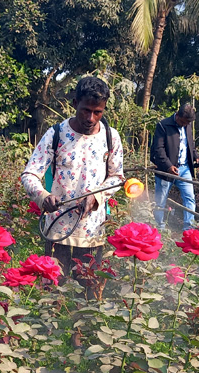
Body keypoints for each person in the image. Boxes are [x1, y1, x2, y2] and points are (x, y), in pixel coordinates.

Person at [21, 76, 124, 299]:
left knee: (87, 293)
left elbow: (117, 177)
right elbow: (29, 174)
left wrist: (96, 196)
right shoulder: (56, 134)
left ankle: (78, 334)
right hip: (57, 229)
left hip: (92, 231)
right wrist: (43, 196)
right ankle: (51, 332)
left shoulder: (110, 137)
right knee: (54, 290)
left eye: (98, 112)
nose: (90, 118)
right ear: (75, 102)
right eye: (86, 110)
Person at [150, 103, 199, 231]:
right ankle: (160, 228)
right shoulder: (163, 125)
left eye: (187, 123)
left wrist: (195, 156)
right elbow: (158, 150)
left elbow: (189, 144)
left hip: (185, 168)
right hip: (165, 170)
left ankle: (189, 228)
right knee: (161, 200)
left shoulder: (188, 125)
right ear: (178, 115)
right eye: (183, 122)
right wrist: (168, 166)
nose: (185, 125)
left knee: (189, 198)